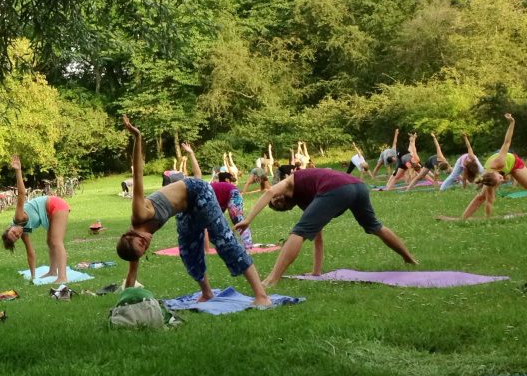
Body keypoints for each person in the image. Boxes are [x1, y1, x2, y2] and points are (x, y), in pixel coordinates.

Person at [115, 117, 271, 306]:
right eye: (145, 248)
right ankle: (207, 293)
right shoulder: (134, 246)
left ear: (130, 234)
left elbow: (137, 174)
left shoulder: (139, 213)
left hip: (197, 191)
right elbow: (131, 275)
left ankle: (261, 296)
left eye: (142, 242)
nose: (147, 243)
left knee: (223, 240)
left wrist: (137, 137)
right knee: (188, 250)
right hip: (186, 206)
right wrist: (124, 304)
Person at [234, 167, 417, 287]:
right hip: (357, 187)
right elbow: (318, 238)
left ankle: (272, 279)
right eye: (278, 205)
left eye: (275, 201)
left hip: (339, 188)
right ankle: (409, 259)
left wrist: (248, 219)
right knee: (374, 227)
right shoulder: (308, 200)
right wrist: (316, 272)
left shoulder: (289, 182)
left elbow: (270, 191)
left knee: (297, 233)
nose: (277, 200)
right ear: (288, 208)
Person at [1, 155, 71, 283]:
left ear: (9, 227)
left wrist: (18, 171)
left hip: (55, 205)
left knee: (56, 241)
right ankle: (52, 271)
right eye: (16, 237)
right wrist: (33, 277)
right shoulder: (23, 231)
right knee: (50, 242)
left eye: (13, 233)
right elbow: (30, 253)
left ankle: (62, 277)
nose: (17, 234)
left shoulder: (18, 218)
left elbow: (21, 194)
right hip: (50, 213)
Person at [461, 114, 527, 219]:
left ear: (494, 172)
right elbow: (489, 201)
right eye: (500, 181)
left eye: (500, 178)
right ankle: (463, 218)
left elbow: (507, 142)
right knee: (481, 197)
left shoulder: (499, 161)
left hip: (515, 164)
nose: (503, 180)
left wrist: (512, 123)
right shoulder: (489, 180)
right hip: (499, 172)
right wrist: (488, 219)